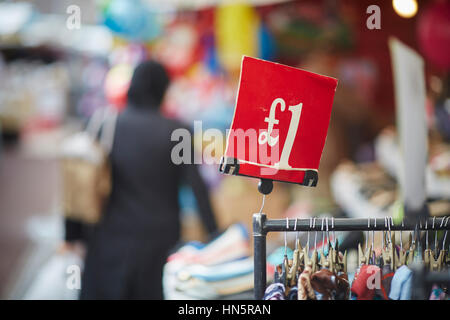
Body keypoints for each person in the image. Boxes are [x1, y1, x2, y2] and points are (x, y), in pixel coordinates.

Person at [65, 60, 218, 299]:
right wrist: (215, 236)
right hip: (159, 245)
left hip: (108, 242)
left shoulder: (102, 125)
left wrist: (71, 234)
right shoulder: (178, 131)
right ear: (163, 91)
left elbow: (78, 182)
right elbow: (197, 188)